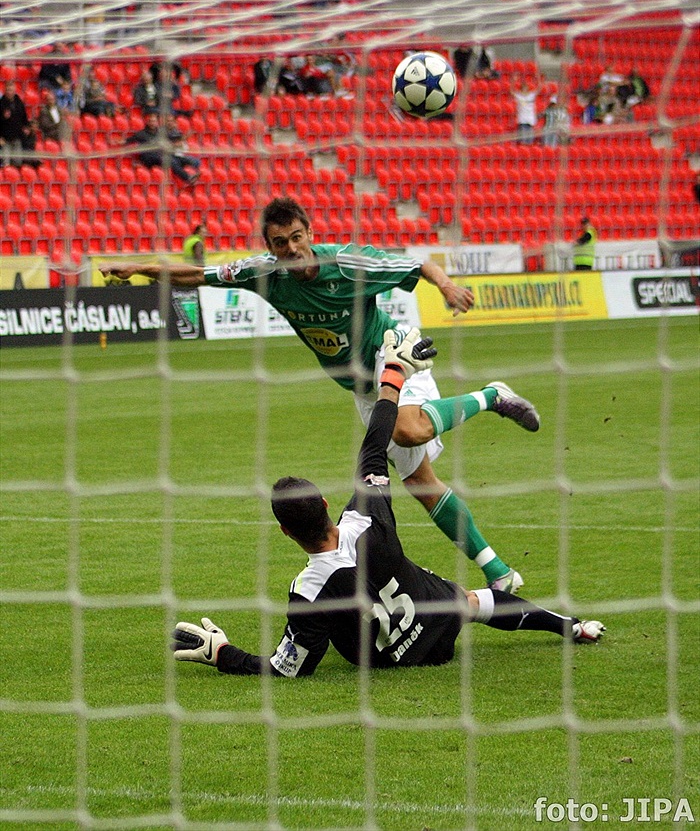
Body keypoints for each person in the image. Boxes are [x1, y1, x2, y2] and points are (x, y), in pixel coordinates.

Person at [99, 197, 541, 594]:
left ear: (310, 233)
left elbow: (417, 264)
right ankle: (499, 571)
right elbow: (198, 273)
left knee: (407, 430)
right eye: (280, 242)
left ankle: (492, 395)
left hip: (397, 355)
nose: (290, 249)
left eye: (296, 237)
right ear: (270, 245)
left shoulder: (348, 264)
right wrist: (138, 267)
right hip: (363, 389)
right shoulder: (266, 273)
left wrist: (445, 286)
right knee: (421, 484)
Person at [170, 329, 605, 677]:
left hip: (386, 660)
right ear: (324, 503)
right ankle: (572, 627)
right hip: (435, 633)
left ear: (285, 532)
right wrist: (393, 377)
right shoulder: (367, 517)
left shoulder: (308, 592)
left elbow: (290, 668)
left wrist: (222, 653)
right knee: (473, 603)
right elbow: (375, 444)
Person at [125, 111, 200, 183]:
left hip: (161, 154)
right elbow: (128, 140)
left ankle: (194, 176)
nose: (152, 123)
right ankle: (187, 178)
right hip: (149, 157)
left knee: (190, 161)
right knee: (170, 160)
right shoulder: (141, 134)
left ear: (157, 122)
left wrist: (183, 138)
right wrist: (119, 141)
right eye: (150, 121)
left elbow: (172, 141)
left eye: (154, 121)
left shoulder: (161, 132)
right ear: (147, 122)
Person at [0, 82, 36, 167]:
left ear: (14, 90)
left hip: (17, 137)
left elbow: (24, 117)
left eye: (11, 90)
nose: (9, 92)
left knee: (18, 162)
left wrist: (26, 126)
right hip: (5, 139)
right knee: (6, 162)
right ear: (5, 90)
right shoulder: (1, 104)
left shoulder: (19, 102)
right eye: (8, 90)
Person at [38, 42, 75, 110]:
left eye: (60, 47)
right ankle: (59, 109)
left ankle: (70, 109)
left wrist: (67, 82)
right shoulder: (48, 56)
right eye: (57, 46)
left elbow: (67, 72)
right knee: (56, 91)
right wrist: (55, 77)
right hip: (47, 80)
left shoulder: (64, 57)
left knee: (71, 89)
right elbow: (45, 71)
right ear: (54, 47)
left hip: (60, 81)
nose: (58, 49)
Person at [511, 77, 541, 145]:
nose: (524, 90)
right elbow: (511, 91)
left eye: (526, 88)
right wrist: (513, 81)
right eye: (523, 88)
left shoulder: (531, 95)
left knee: (529, 139)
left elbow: (539, 89)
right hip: (522, 119)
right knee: (523, 139)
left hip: (530, 119)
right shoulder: (519, 96)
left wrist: (538, 79)